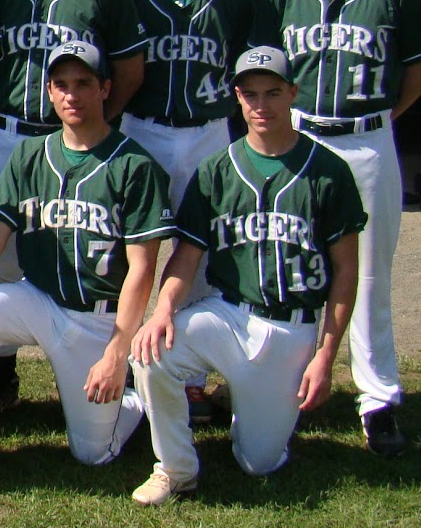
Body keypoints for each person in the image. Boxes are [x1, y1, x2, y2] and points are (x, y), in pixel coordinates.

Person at [252, 0, 421, 457]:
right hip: (301, 134)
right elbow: (262, 66)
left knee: (370, 271)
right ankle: (294, 384)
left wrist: (381, 117)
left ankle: (377, 398)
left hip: (366, 136)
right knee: (292, 265)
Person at [0, 43, 172, 498]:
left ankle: (134, 397)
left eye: (84, 83)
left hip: (97, 317)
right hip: (37, 298)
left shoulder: (135, 165)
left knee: (93, 454)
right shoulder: (29, 157)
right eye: (62, 84)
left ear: (105, 88)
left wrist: (119, 351)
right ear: (49, 91)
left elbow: (142, 270)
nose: (72, 94)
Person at [127, 46, 365, 504]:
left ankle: (250, 406)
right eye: (251, 94)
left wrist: (326, 355)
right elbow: (187, 255)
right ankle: (175, 469)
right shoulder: (217, 168)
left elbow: (346, 270)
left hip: (290, 329)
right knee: (151, 352)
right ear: (236, 97)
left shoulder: (328, 172)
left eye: (273, 93)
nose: (262, 105)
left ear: (293, 93)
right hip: (228, 314)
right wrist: (162, 312)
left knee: (258, 463)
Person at [0, 0, 146, 414]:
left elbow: (129, 68)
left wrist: (96, 127)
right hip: (10, 133)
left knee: (91, 253)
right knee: (0, 257)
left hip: (77, 140)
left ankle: (105, 357)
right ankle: (2, 372)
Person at [120, 0, 254, 423]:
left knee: (198, 248)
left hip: (206, 130)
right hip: (142, 127)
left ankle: (190, 377)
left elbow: (252, 71)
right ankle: (129, 361)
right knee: (132, 247)